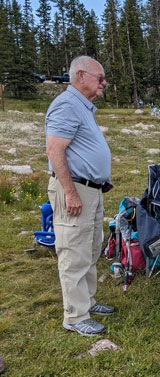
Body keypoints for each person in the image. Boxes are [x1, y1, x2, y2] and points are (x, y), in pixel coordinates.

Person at [45, 56, 114, 337]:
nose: (104, 83)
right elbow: (54, 150)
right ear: (82, 75)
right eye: (100, 77)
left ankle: (88, 302)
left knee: (90, 247)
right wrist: (70, 193)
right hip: (74, 188)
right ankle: (74, 316)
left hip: (90, 189)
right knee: (74, 251)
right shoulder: (66, 105)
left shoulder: (83, 107)